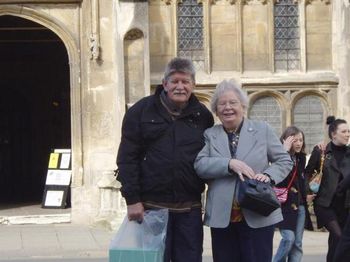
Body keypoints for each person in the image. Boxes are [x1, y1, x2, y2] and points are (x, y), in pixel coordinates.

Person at [116, 57, 214, 262]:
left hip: (189, 209)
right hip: (151, 209)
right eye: (175, 81)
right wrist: (132, 200)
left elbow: (209, 158)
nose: (180, 86)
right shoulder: (141, 111)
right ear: (165, 84)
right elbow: (127, 158)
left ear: (193, 85)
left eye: (185, 82)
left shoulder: (202, 116)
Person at [194, 79, 293, 262]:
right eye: (222, 104)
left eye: (233, 103)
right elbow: (200, 165)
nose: (227, 108)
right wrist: (229, 164)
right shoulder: (210, 135)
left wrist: (268, 176)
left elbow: (284, 160)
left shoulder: (262, 130)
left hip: (258, 212)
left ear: (243, 106)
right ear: (216, 110)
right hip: (223, 217)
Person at [305, 116, 350, 262]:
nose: (348, 134)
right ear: (333, 134)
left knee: (336, 242)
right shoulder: (321, 151)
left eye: (349, 131)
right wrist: (308, 192)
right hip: (325, 204)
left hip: (345, 205)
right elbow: (307, 173)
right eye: (344, 131)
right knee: (340, 237)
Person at [273, 126, 314, 262]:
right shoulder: (278, 156)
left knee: (297, 243)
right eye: (295, 140)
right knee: (288, 238)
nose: (298, 143)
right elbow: (278, 179)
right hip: (284, 205)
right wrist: (284, 153)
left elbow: (301, 180)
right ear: (286, 140)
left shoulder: (301, 158)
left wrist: (307, 194)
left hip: (300, 205)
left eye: (301, 140)